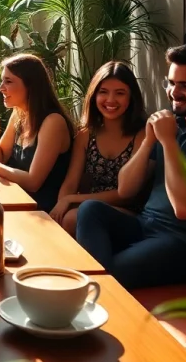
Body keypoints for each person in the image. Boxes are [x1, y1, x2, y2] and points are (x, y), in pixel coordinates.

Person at [75, 44, 186, 290]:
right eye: (170, 83)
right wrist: (149, 141)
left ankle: (96, 287)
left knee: (111, 273)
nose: (173, 92)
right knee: (90, 210)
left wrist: (169, 143)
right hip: (145, 225)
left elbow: (185, 208)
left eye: (185, 86)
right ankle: (96, 284)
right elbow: (126, 189)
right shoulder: (173, 123)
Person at [0, 54, 74, 212]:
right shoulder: (19, 113)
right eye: (2, 80)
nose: (1, 87)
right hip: (15, 198)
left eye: (8, 81)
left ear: (31, 86)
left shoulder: (53, 122)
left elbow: (33, 182)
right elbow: (0, 158)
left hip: (40, 209)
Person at [49, 62, 147, 236]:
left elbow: (126, 195)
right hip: (86, 206)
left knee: (73, 217)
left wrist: (71, 199)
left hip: (129, 212)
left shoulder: (142, 134)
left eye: (120, 93)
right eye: (103, 92)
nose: (110, 100)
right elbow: (71, 182)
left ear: (131, 97)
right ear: (94, 96)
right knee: (62, 218)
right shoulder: (86, 134)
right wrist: (61, 204)